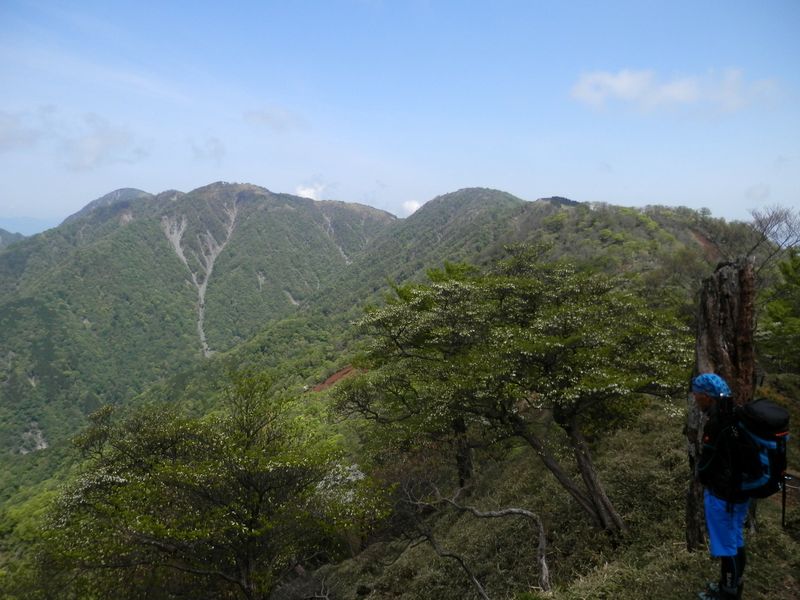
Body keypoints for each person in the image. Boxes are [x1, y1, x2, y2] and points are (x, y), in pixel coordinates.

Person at [693, 372, 749, 600]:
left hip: (723, 494)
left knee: (727, 547)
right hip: (740, 489)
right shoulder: (735, 413)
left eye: (697, 395)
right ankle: (734, 583)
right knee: (735, 539)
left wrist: (701, 475)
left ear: (707, 396)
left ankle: (728, 592)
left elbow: (708, 463)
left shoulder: (716, 422)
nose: (695, 399)